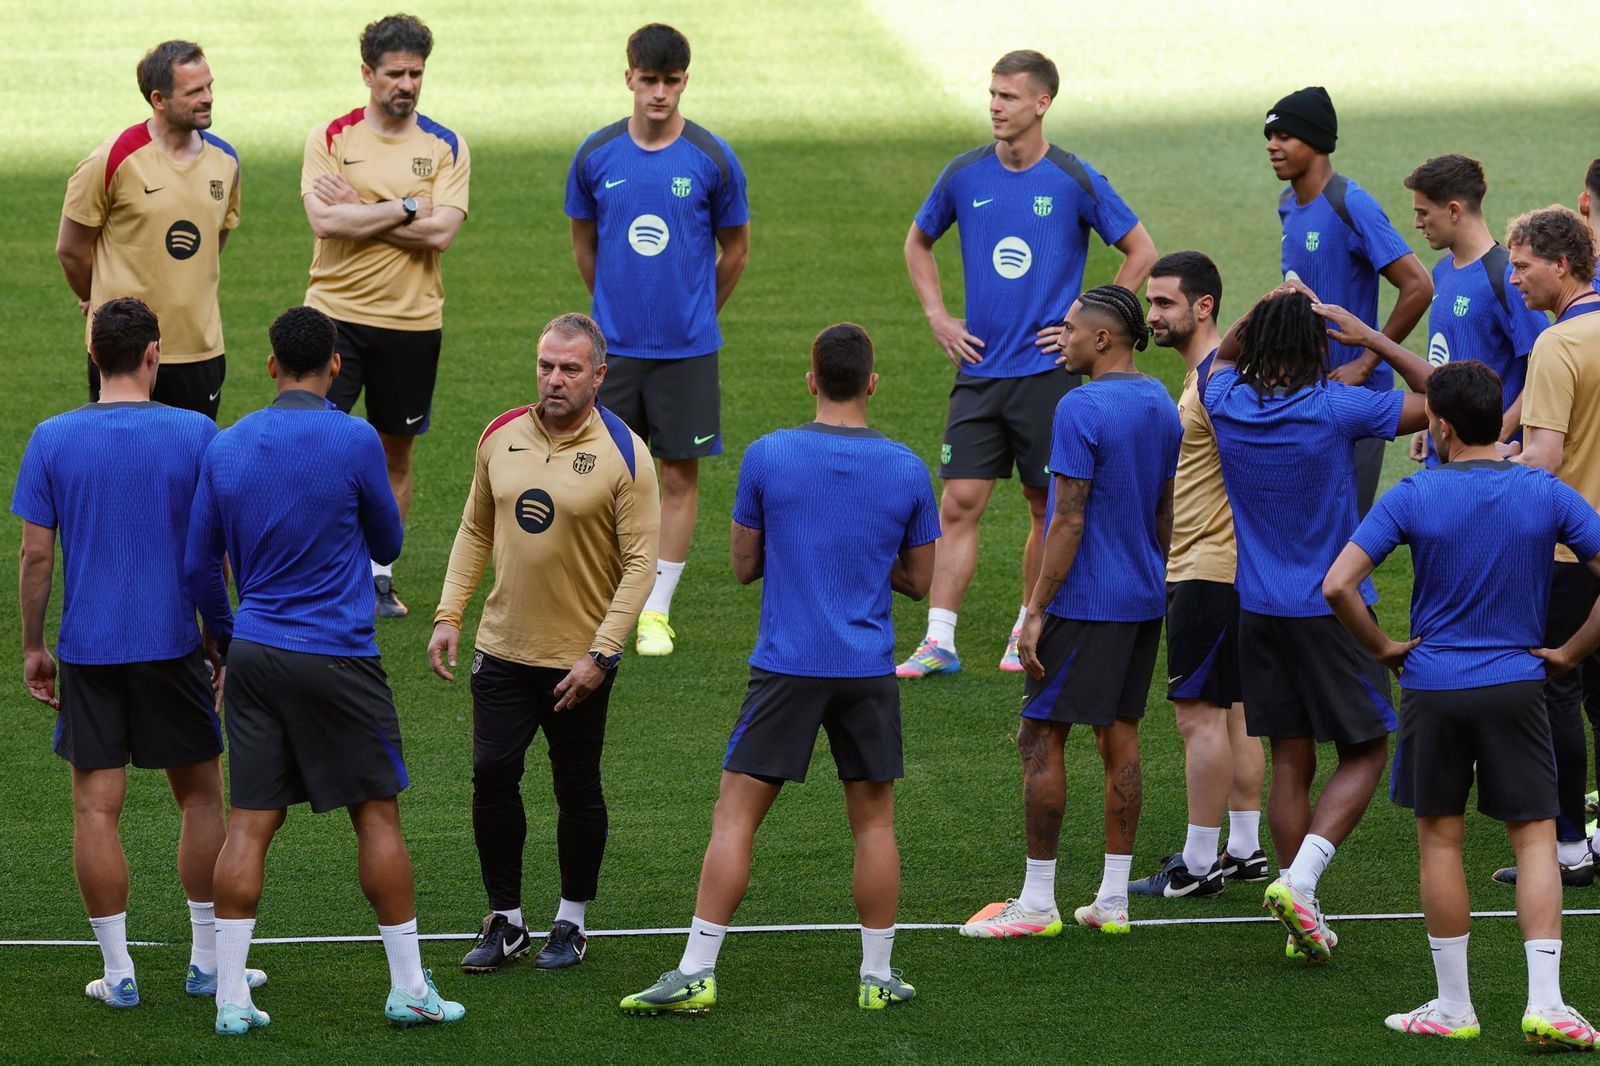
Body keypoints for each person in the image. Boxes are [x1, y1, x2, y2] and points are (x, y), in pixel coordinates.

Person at [619, 323, 938, 1013]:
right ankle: (877, 977)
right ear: (873, 384)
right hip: (867, 670)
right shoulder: (909, 468)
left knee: (735, 817)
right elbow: (918, 581)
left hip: (787, 667)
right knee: (875, 824)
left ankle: (698, 970)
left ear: (811, 379)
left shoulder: (769, 456)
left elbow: (742, 566)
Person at [186, 305, 463, 1035]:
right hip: (338, 654)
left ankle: (231, 1000)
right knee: (375, 814)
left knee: (249, 821)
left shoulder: (227, 445)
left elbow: (198, 568)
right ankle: (408, 988)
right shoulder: (354, 439)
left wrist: (225, 636)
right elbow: (388, 535)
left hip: (254, 652)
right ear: (335, 365)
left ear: (271, 365)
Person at [1324, 360, 1600, 1049]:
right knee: (1536, 838)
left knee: (1441, 840)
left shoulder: (1413, 494)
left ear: (1440, 427)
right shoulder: (1546, 492)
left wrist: (1385, 647)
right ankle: (1548, 1004)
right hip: (1517, 686)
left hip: (1435, 688)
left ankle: (1454, 1007)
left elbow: (1336, 586)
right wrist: (1569, 653)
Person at [12, 298, 262, 1008]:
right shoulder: (195, 434)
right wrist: (219, 639)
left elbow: (36, 556)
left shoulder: (51, 437)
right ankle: (210, 962)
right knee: (202, 796)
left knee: (96, 809)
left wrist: (34, 645)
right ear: (154, 354)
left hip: (88, 648)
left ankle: (118, 972)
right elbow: (213, 554)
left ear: (95, 355)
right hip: (172, 643)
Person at [898, 49, 1156, 678]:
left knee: (1045, 504)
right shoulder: (964, 175)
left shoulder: (1071, 177)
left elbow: (1140, 250)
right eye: (991, 95)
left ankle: (1024, 627)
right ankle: (939, 640)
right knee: (958, 501)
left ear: (1041, 104)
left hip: (1046, 377)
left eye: (1008, 97)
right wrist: (938, 316)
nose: (995, 107)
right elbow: (918, 241)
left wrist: (1085, 317)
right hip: (980, 370)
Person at [1203, 285, 1431, 962]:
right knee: (1366, 750)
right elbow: (1451, 402)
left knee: (1291, 761)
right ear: (1317, 347)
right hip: (1331, 612)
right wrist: (1373, 339)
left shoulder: (1225, 402)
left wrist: (1268, 306)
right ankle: (1300, 882)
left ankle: (1302, 910)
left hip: (1259, 611)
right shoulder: (1338, 407)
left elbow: (1222, 354)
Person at [429, 313, 659, 975]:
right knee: (492, 776)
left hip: (578, 661)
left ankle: (572, 920)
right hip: (502, 650)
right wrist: (449, 612)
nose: (554, 380)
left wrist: (603, 653)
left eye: (569, 369)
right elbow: (476, 529)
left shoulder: (626, 452)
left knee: (577, 788)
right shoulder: (500, 435)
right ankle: (505, 919)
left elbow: (642, 563)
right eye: (546, 366)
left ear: (598, 376)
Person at [958, 285, 1179, 938]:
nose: (1064, 338)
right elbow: (1163, 509)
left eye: (1073, 329)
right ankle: (1112, 899)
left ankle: (1037, 902)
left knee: (1040, 736)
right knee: (1120, 737)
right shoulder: (1160, 402)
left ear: (1103, 339)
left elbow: (1068, 520)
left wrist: (1035, 608)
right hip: (1141, 596)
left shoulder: (1081, 408)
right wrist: (1151, 572)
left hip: (1085, 601)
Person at [565, 22, 749, 657]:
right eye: (649, 80)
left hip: (687, 351)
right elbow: (585, 243)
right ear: (629, 78)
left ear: (685, 82)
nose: (660, 94)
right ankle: (607, 596)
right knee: (605, 474)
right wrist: (610, 306)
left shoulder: (713, 158)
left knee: (676, 477)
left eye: (671, 82)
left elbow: (736, 249)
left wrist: (699, 308)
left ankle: (655, 612)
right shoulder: (596, 156)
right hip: (612, 351)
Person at [300, 12, 470, 619]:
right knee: (316, 444)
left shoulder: (445, 144)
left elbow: (443, 234)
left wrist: (365, 208)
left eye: (416, 73)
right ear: (367, 73)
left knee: (395, 453)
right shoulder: (332, 137)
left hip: (411, 321)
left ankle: (378, 578)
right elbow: (325, 221)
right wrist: (403, 208)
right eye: (395, 73)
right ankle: (320, 571)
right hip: (334, 315)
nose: (407, 84)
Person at [1126, 254, 1268, 899]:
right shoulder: (1209, 377)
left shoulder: (1215, 376)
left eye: (1163, 304)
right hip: (1225, 568)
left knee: (1198, 718)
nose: (1151, 315)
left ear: (1203, 307)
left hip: (1207, 570)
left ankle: (1198, 862)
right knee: (1235, 711)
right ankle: (1243, 846)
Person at [1491, 206, 1600, 886]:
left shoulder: (1558, 346)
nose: (1514, 279)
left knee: (1556, 688)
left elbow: (1545, 461)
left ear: (1561, 265)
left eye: (1524, 266)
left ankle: (1566, 849)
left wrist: (1482, 471)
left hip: (1570, 555)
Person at [1265, 86, 1431, 515]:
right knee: (1301, 525)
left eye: (1285, 136)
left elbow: (1418, 285)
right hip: (1301, 391)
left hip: (1354, 401)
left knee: (1343, 536)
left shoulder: (1350, 203)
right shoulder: (1288, 204)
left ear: (1316, 142)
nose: (1272, 145)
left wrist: (1365, 362)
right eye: (1270, 136)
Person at [57, 41, 240, 419]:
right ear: (159, 99)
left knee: (192, 468)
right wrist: (96, 298)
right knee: (120, 467)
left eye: (209, 86)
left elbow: (213, 240)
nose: (208, 98)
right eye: (194, 91)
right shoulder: (111, 159)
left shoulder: (226, 161)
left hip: (199, 349)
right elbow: (71, 249)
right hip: (123, 350)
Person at [1402, 154, 1547, 465]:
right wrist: (1429, 422)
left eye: (1423, 213)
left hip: (1488, 467)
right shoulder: (1443, 271)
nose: (1417, 223)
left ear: (1454, 210)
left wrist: (1500, 434)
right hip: (1444, 458)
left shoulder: (1507, 278)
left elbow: (1546, 365)